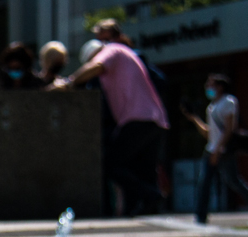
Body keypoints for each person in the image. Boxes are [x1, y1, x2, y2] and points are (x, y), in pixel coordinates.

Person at [49, 40, 169, 217]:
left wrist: (69, 83)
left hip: (136, 118)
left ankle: (151, 195)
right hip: (156, 119)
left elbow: (97, 65)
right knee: (144, 169)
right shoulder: (126, 56)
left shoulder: (112, 51)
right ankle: (149, 206)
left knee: (110, 164)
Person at [182, 74, 248, 226]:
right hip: (211, 149)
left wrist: (218, 151)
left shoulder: (228, 102)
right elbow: (208, 133)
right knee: (204, 183)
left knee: (234, 181)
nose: (207, 88)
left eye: (210, 84)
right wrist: (194, 119)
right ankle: (201, 218)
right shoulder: (211, 107)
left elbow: (229, 129)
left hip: (223, 151)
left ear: (220, 87)